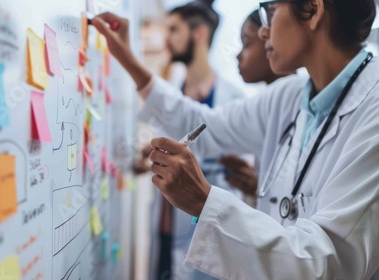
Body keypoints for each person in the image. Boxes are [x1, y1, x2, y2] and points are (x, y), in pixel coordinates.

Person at [91, 0, 379, 278]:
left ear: (313, 10)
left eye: (271, 10)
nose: (264, 30)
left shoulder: (372, 109)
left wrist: (204, 201)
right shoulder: (288, 96)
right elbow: (207, 127)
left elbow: (331, 266)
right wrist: (126, 57)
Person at [139, 1, 244, 279]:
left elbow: (237, 179)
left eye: (174, 29)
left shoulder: (233, 102)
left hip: (205, 236)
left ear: (198, 33)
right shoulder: (171, 98)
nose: (166, 39)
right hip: (164, 228)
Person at [220, 9, 290, 201]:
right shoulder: (266, 103)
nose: (238, 56)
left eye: (246, 44)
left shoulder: (294, 104)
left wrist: (260, 188)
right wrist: (255, 184)